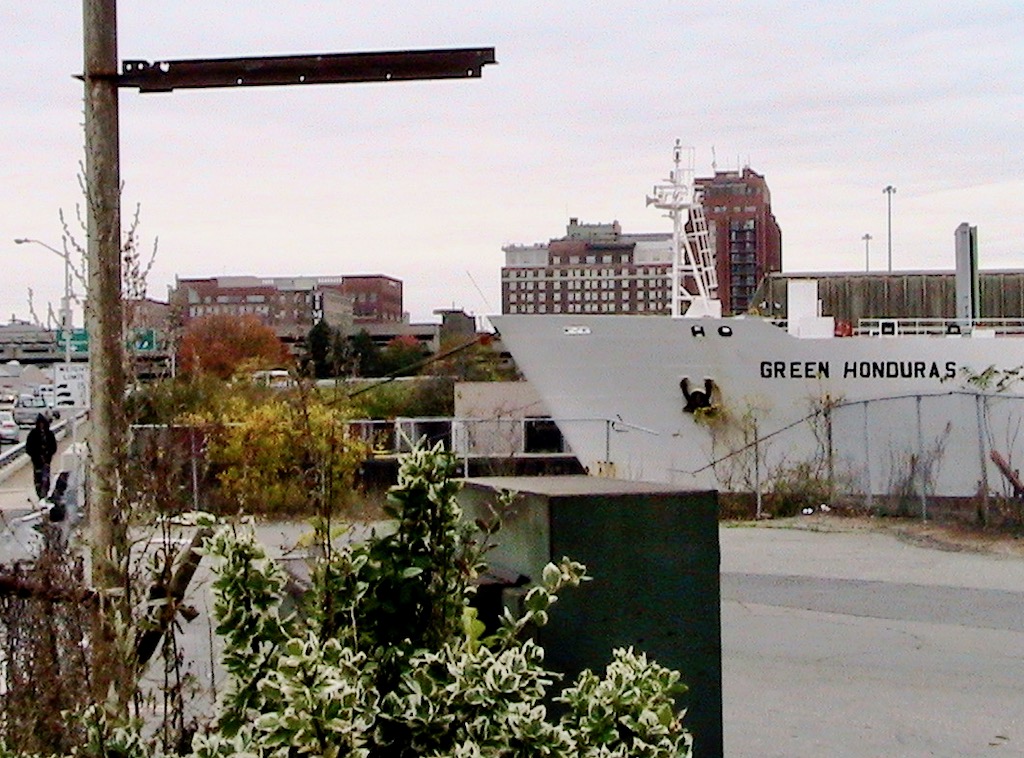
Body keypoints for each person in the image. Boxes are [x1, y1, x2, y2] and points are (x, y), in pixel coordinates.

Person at [25, 413, 57, 499]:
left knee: (46, 478)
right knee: (38, 479)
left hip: (46, 461)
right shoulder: (33, 434)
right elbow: (29, 448)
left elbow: (53, 447)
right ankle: (40, 495)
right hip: (37, 462)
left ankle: (45, 494)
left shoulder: (49, 434)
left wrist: (48, 456)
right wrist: (36, 456)